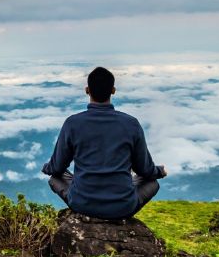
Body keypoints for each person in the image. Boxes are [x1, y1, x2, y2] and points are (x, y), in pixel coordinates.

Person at [42, 66, 166, 219]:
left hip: (82, 204)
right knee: (152, 182)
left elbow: (57, 167)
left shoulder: (72, 124)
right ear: (113, 90)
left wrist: (46, 167)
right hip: (122, 206)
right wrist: (160, 171)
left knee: (55, 178)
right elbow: (145, 170)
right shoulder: (131, 124)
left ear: (87, 90)